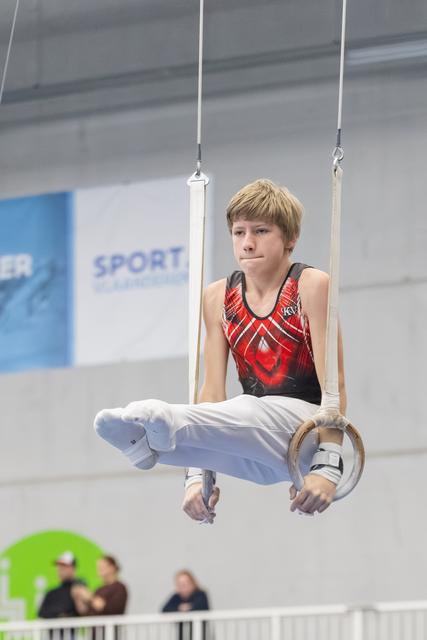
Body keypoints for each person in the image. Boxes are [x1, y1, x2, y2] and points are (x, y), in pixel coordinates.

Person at [94, 179, 346, 521]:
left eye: (261, 231)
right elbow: (212, 390)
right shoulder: (217, 296)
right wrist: (198, 477)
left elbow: (335, 383)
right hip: (258, 449)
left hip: (306, 431)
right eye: (238, 232)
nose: (248, 243)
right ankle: (143, 444)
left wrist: (328, 466)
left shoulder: (310, 285)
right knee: (205, 433)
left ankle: (166, 419)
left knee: (245, 408)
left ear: (290, 238)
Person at [161, 570, 209, 640]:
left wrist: (189, 608)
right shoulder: (176, 597)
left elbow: (201, 607)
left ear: (192, 583)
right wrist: (179, 609)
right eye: (179, 584)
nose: (183, 586)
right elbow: (164, 609)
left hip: (201, 636)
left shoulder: (200, 594)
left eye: (185, 583)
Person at [38, 551, 86, 619]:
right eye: (59, 567)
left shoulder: (80, 588)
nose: (60, 570)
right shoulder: (51, 593)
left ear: (73, 568)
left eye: (64, 566)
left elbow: (83, 611)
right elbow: (42, 613)